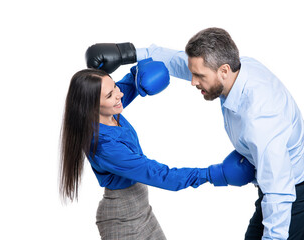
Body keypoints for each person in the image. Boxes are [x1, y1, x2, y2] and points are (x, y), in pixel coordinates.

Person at [85, 27, 304, 240]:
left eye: (199, 77)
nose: (192, 82)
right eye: (194, 74)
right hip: (124, 215)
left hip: (292, 196)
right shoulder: (237, 69)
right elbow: (183, 64)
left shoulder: (260, 120)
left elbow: (279, 193)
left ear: (224, 70)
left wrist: (212, 174)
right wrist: (128, 52)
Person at [59, 57, 255, 240]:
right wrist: (213, 174)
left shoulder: (110, 111)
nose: (119, 94)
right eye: (110, 94)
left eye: (115, 86)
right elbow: (158, 175)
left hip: (143, 211)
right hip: (121, 219)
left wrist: (128, 55)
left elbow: (132, 81)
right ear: (92, 106)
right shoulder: (104, 146)